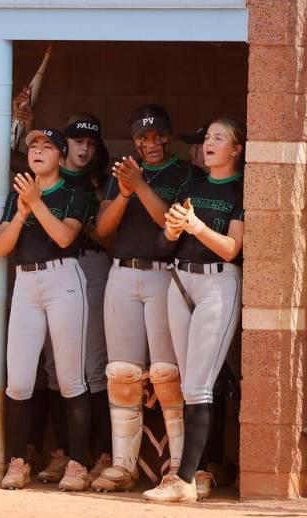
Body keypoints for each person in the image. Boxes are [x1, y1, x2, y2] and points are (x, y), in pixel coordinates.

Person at [91, 104, 202, 492]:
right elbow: (103, 229)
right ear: (134, 140)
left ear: (168, 136)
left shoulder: (184, 174)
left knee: (166, 374)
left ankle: (178, 465)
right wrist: (124, 192)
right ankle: (123, 464)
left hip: (163, 274)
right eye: (143, 137)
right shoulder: (123, 173)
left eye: (157, 136)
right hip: (122, 272)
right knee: (121, 372)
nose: (150, 143)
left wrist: (140, 185)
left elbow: (170, 223)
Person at [143, 118, 245, 502]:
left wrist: (196, 225)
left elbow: (232, 248)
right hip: (181, 281)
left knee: (200, 385)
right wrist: (171, 231)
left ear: (235, 149)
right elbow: (162, 245)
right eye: (207, 138)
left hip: (219, 282)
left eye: (219, 138)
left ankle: (184, 480)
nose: (209, 143)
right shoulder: (191, 185)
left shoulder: (240, 187)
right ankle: (192, 472)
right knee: (188, 386)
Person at [0, 128, 91, 491]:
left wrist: (36, 203)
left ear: (61, 158)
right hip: (26, 281)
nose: (37, 151)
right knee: (18, 380)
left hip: (63, 278)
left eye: (47, 147)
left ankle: (78, 464)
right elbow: (2, 247)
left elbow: (65, 237)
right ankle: (17, 461)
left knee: (69, 378)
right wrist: (21, 212)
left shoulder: (74, 190)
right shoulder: (19, 190)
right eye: (33, 146)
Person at [35, 113, 113, 484]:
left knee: (94, 367)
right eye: (78, 141)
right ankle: (64, 452)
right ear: (64, 146)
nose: (84, 148)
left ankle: (99, 454)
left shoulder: (101, 181)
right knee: (55, 369)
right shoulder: (47, 175)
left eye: (91, 143)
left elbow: (108, 234)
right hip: (52, 271)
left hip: (94, 265)